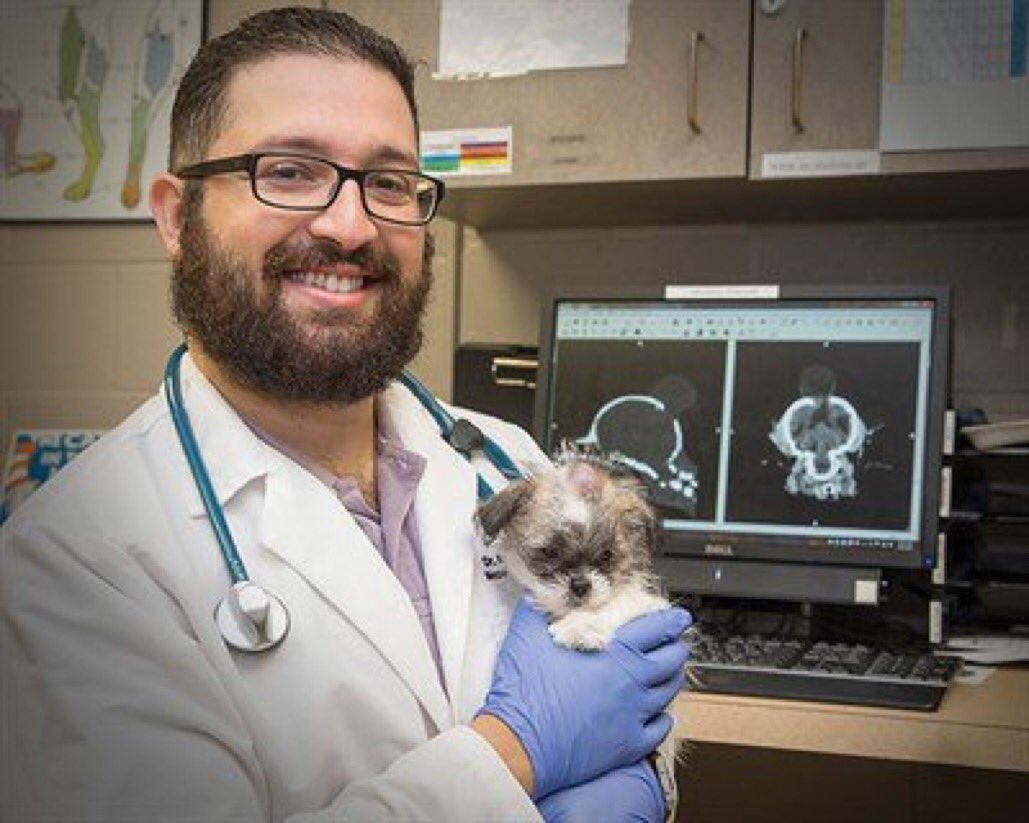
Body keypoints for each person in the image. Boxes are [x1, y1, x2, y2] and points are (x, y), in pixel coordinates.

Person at [0, 7, 689, 822]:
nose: (352, 224)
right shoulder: (69, 560)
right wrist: (514, 751)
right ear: (178, 217)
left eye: (389, 182)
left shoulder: (504, 461)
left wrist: (647, 781)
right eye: (289, 170)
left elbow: (621, 715)